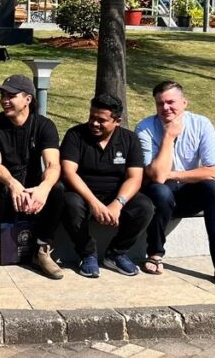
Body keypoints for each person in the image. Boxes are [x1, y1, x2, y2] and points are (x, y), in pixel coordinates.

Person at [135, 81, 215, 290]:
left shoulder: (201, 124)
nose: (166, 108)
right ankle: (155, 253)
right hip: (157, 195)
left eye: (171, 102)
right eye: (160, 104)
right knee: (160, 190)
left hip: (186, 191)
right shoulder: (145, 128)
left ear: (184, 102)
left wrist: (172, 174)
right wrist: (168, 136)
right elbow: (155, 176)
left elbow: (214, 171)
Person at [0, 74, 65, 279]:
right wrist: (12, 183)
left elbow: (53, 164)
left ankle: (42, 249)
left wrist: (43, 188)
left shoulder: (44, 126)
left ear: (28, 99)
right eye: (3, 95)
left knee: (57, 189)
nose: (4, 100)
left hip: (31, 185)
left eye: (11, 95)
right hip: (3, 182)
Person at [60, 94, 154, 278]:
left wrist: (118, 203)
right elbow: (69, 172)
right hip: (83, 193)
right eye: (92, 117)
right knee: (69, 203)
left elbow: (135, 177)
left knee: (145, 206)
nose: (94, 123)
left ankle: (116, 253)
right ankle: (87, 254)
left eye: (101, 120)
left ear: (117, 121)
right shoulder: (75, 135)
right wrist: (94, 203)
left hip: (115, 194)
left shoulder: (130, 139)